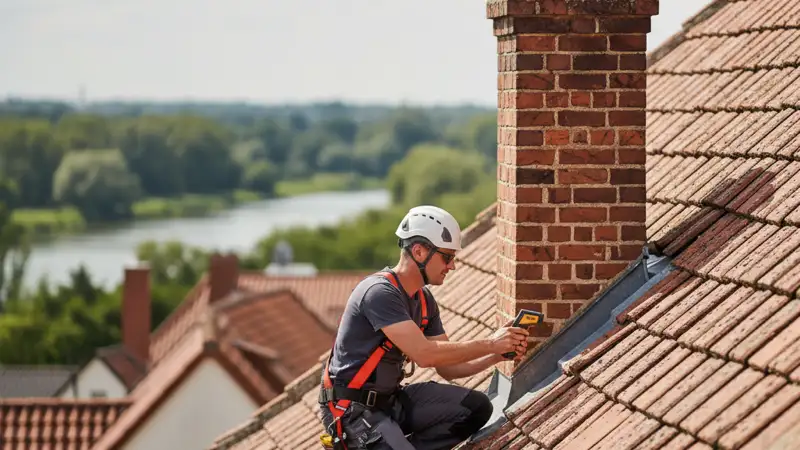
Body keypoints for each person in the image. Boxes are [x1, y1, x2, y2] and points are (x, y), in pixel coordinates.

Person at [318, 205, 530, 450]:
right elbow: (426, 354)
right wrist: (491, 342)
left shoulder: (424, 301)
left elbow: (449, 368)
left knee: (475, 408)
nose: (452, 266)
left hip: (390, 403)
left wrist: (496, 355)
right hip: (353, 413)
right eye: (447, 257)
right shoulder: (378, 293)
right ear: (419, 251)